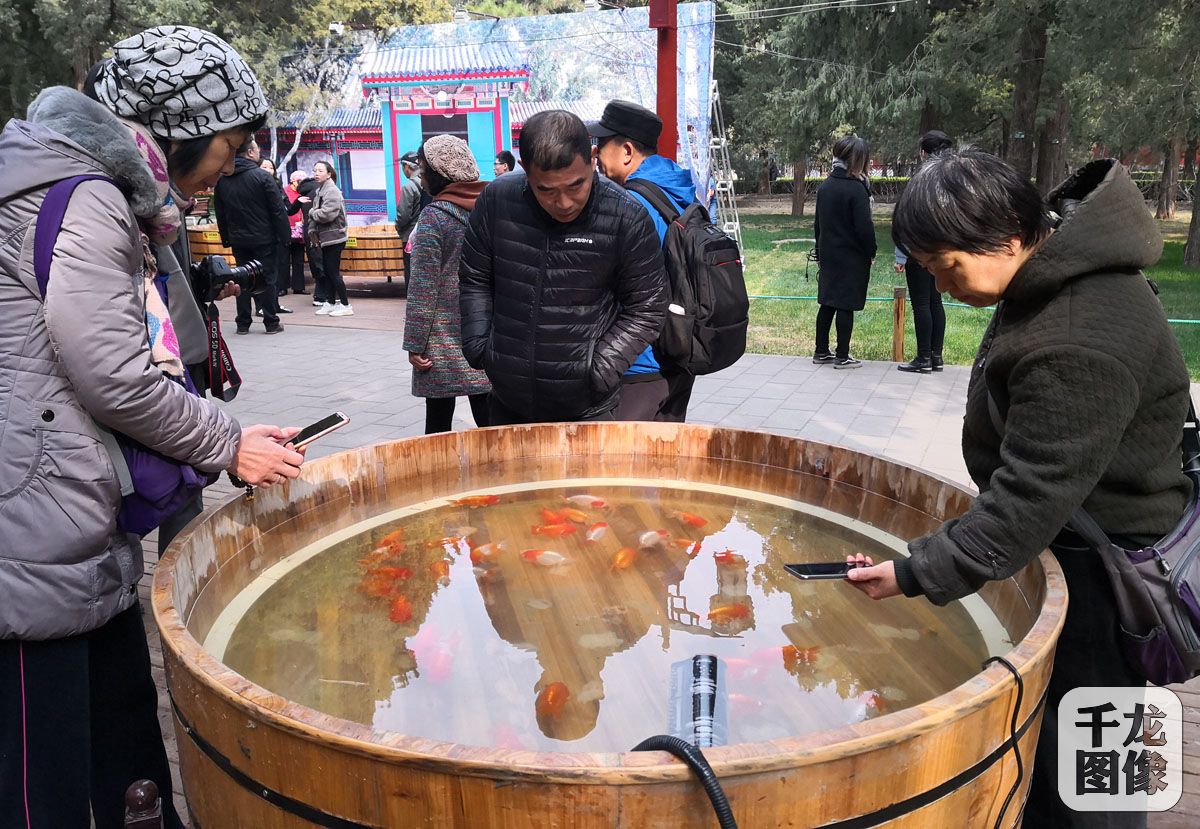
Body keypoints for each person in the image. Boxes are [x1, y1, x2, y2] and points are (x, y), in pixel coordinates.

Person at [0, 25, 308, 829]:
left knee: (123, 740)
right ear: (175, 130)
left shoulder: (71, 179)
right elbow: (112, 372)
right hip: (32, 526)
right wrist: (226, 442)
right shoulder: (88, 195)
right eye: (228, 145)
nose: (230, 166)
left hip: (62, 510)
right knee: (42, 777)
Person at [845, 150, 1192, 829]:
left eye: (946, 266)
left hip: (1108, 571)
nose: (942, 286)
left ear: (1007, 237)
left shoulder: (1079, 335)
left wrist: (915, 571)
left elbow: (1031, 496)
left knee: (1099, 764)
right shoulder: (1053, 274)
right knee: (1072, 740)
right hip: (1081, 538)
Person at [459, 109, 667, 425]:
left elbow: (648, 307)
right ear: (525, 170)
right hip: (508, 400)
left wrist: (599, 369)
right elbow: (475, 277)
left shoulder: (626, 216)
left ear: (593, 159)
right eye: (546, 190)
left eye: (575, 185)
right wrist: (479, 346)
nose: (564, 202)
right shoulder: (496, 202)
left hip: (588, 408)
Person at [590, 99, 698, 422]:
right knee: (665, 449)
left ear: (626, 151)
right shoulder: (679, 192)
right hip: (680, 350)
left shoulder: (629, 206)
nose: (596, 154)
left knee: (624, 454)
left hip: (637, 365)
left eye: (601, 144)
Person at [404, 136, 492, 433]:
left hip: (441, 337)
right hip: (484, 329)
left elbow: (423, 287)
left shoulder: (434, 216)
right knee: (490, 420)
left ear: (438, 174)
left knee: (438, 424)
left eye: (422, 170)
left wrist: (414, 343)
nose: (420, 177)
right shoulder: (489, 209)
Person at [214, 136, 291, 332]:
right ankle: (271, 321)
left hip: (238, 240)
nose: (259, 153)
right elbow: (278, 210)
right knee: (268, 279)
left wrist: (226, 239)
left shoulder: (223, 181)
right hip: (264, 239)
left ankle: (243, 322)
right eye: (257, 149)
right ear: (249, 152)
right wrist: (285, 237)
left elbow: (221, 214)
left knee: (242, 278)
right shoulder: (263, 177)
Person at [812, 134, 876, 369]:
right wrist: (871, 251)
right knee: (846, 305)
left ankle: (821, 351)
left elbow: (818, 224)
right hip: (851, 256)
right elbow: (864, 228)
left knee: (827, 302)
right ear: (858, 160)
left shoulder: (825, 187)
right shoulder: (856, 189)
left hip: (829, 253)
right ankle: (842, 355)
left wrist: (819, 252)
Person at [895, 130, 954, 373]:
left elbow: (906, 218)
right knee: (935, 301)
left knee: (921, 303)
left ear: (923, 153)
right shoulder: (951, 180)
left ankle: (923, 358)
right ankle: (936, 356)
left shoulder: (920, 180)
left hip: (919, 249)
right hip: (943, 249)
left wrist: (901, 254)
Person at [310, 160, 353, 316]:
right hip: (326, 237)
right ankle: (330, 302)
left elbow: (327, 214)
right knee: (328, 272)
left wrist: (311, 213)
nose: (316, 173)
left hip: (335, 237)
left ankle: (346, 305)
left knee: (333, 273)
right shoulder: (320, 190)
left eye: (320, 171)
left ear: (329, 174)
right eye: (315, 170)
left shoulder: (332, 190)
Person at [395, 150, 423, 281]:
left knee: (411, 273)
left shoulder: (409, 187)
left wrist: (398, 227)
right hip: (425, 233)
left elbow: (403, 216)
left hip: (410, 237)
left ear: (407, 166)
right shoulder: (427, 183)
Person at [283, 170, 311, 295]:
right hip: (286, 229)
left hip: (300, 231)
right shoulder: (284, 191)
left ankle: (298, 287)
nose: (301, 184)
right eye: (299, 181)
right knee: (283, 259)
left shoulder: (305, 192)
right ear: (292, 181)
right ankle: (282, 287)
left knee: (299, 260)